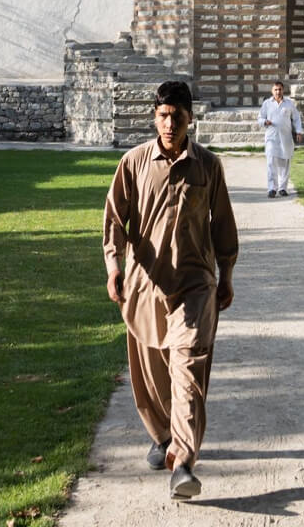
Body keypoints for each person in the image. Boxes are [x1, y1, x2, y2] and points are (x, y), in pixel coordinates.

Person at [101, 80, 238, 501]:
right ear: (154, 116)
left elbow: (222, 227)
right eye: (162, 115)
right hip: (146, 287)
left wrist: (226, 273)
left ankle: (183, 463)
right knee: (152, 375)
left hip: (196, 287)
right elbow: (114, 219)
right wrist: (113, 266)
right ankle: (162, 436)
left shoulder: (208, 166)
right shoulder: (135, 162)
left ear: (190, 118)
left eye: (177, 116)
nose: (169, 124)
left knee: (188, 372)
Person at [258, 80, 304, 198]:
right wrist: (264, 121)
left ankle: (283, 188)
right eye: (275, 89)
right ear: (272, 91)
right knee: (271, 162)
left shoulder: (289, 104)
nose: (278, 92)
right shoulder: (267, 103)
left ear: (283, 90)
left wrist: (298, 131)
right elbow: (260, 118)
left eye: (280, 89)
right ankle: (272, 188)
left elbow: (296, 118)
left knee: (285, 163)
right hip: (271, 138)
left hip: (286, 138)